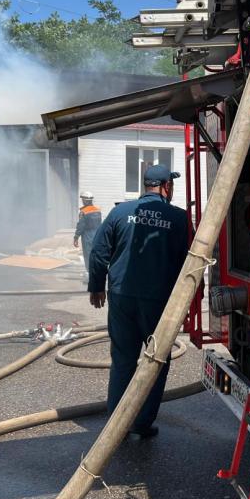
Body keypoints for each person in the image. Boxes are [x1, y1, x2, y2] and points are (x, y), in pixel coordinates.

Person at [88, 165, 188, 438]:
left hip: (122, 297)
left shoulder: (120, 212)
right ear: (167, 186)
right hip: (159, 302)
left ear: (146, 185)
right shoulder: (179, 219)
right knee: (156, 361)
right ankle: (142, 422)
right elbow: (189, 263)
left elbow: (98, 251)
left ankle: (116, 427)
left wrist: (96, 286)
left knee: (122, 360)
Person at [73, 191, 102, 274]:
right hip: (97, 234)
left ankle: (90, 273)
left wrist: (76, 237)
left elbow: (80, 226)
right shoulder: (98, 210)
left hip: (87, 236)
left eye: (82, 200)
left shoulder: (83, 212)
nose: (82, 201)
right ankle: (97, 271)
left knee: (88, 254)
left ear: (85, 201)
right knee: (96, 254)